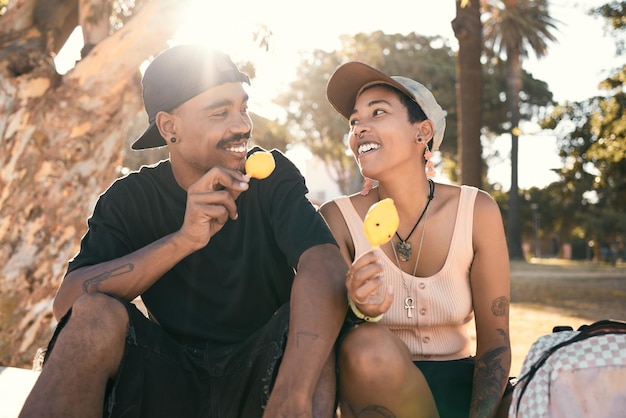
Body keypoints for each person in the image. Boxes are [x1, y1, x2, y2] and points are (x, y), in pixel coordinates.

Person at [19, 44, 347, 418]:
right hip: (168, 380)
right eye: (220, 112)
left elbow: (325, 265)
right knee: (94, 314)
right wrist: (182, 240)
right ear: (169, 127)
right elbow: (69, 304)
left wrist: (292, 394)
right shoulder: (128, 199)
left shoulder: (270, 177)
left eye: (242, 107)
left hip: (265, 375)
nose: (241, 124)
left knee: (310, 314)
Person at [320, 62, 513, 418]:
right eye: (353, 121)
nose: (360, 127)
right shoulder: (338, 219)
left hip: (464, 390)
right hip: (376, 389)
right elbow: (323, 339)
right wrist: (359, 311)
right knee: (366, 344)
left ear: (422, 131)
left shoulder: (477, 211)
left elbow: (495, 342)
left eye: (377, 112)